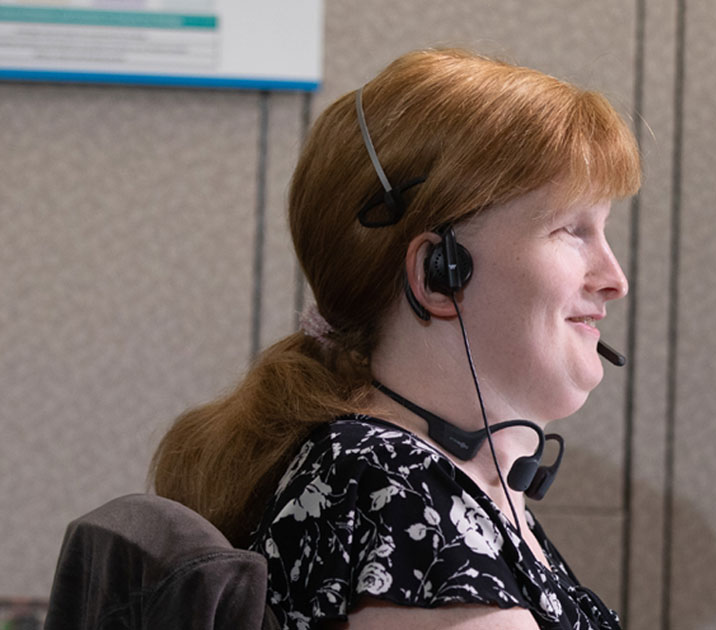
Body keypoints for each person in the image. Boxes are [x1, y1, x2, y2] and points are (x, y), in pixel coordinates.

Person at [149, 48, 640, 630]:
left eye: (602, 231)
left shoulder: (416, 482)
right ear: (440, 272)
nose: (615, 280)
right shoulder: (399, 496)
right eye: (569, 229)